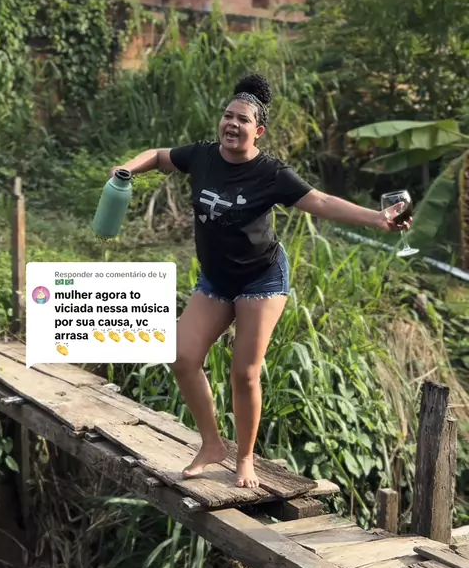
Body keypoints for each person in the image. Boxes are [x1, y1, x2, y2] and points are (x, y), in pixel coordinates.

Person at [111, 73, 412, 489]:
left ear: (259, 131)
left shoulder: (271, 173)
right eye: (228, 116)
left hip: (261, 278)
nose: (232, 124)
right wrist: (127, 169)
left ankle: (245, 458)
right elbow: (159, 156)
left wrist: (377, 219)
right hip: (217, 279)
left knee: (244, 373)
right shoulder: (202, 156)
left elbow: (322, 201)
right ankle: (212, 444)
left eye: (243, 120)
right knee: (182, 357)